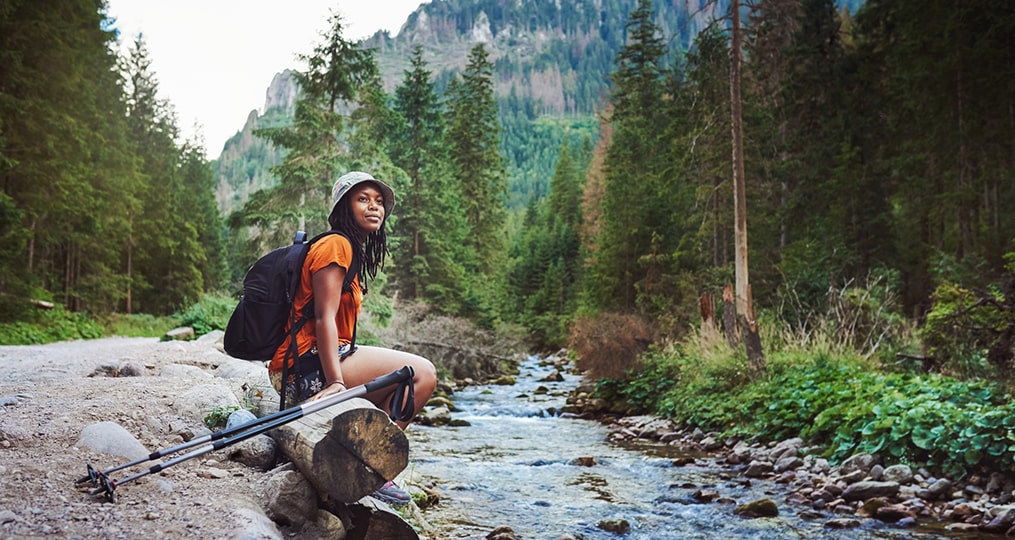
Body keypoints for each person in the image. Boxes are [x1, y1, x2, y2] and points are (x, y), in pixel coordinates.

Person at [267, 170, 437, 505]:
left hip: (310, 364)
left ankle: (359, 463)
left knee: (407, 376)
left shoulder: (348, 248)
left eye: (378, 202)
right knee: (423, 374)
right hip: (307, 370)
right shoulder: (336, 244)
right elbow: (323, 317)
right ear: (344, 207)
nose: (374, 207)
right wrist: (335, 383)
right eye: (363, 199)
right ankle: (374, 466)